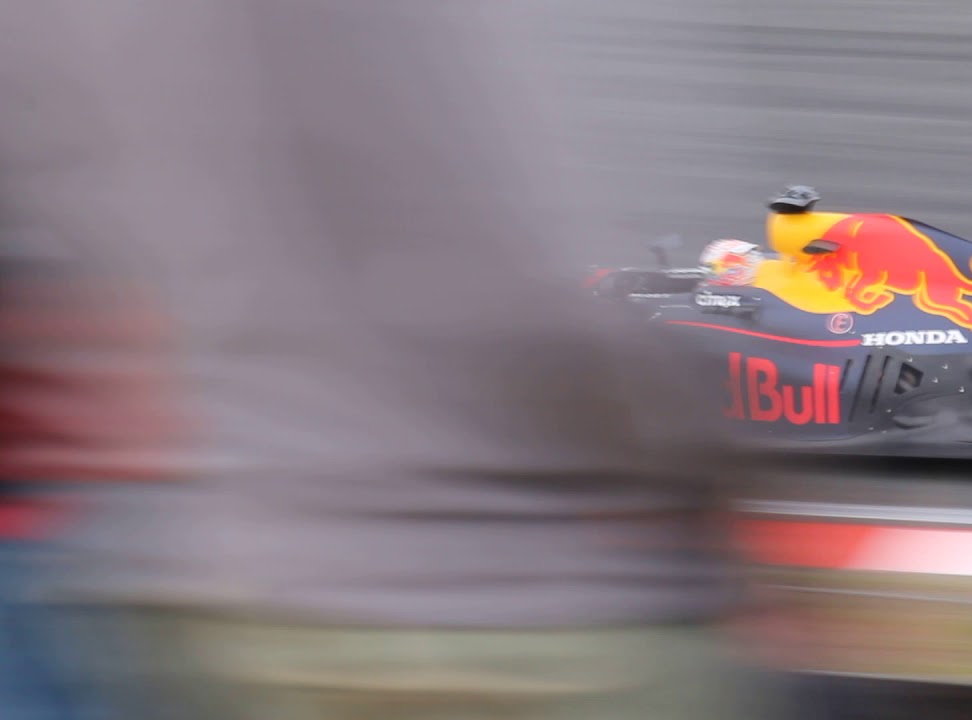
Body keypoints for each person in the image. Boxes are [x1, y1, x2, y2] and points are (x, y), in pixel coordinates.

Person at [0, 2, 793, 719]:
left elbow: (61, 218)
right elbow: (570, 271)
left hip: (209, 584)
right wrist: (736, 435)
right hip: (543, 593)